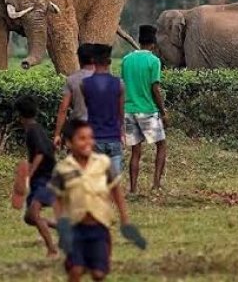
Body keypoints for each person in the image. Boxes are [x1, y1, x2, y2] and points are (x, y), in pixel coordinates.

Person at [51, 119, 143, 282]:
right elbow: (57, 198)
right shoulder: (63, 169)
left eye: (90, 137)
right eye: (82, 138)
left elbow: (116, 190)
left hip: (99, 227)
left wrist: (124, 218)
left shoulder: (103, 164)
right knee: (75, 270)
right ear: (69, 143)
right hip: (75, 228)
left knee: (99, 274)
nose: (88, 142)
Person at [121, 25, 168, 194]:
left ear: (140, 41)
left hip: (129, 109)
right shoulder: (154, 61)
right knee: (161, 145)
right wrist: (163, 111)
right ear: (154, 44)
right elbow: (155, 88)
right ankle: (156, 184)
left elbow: (123, 86)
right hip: (147, 110)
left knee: (135, 151)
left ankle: (133, 188)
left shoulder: (126, 60)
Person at [16, 96, 58, 257]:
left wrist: (30, 172)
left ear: (20, 116)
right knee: (29, 218)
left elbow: (41, 152)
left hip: (44, 179)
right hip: (40, 179)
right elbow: (50, 148)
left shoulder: (33, 130)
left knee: (34, 214)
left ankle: (52, 250)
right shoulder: (36, 129)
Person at [80, 44, 125, 178]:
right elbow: (121, 113)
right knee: (114, 181)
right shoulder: (119, 84)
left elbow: (86, 109)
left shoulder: (85, 84)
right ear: (109, 61)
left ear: (93, 61)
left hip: (94, 138)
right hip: (114, 137)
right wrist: (121, 132)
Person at [54, 44, 96, 148]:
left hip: (78, 127)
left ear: (79, 59)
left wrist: (57, 134)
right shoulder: (106, 80)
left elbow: (63, 109)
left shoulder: (72, 79)